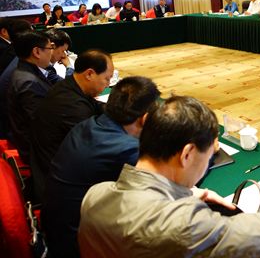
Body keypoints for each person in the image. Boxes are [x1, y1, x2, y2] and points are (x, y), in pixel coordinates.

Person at [78, 95, 260, 257]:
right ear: (187, 154)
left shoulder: (95, 195)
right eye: (208, 157)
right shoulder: (185, 223)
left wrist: (185, 194)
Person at [43, 76, 160, 258]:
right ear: (145, 119)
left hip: (56, 231)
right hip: (76, 245)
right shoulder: (125, 149)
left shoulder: (87, 125)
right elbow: (172, 176)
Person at [31, 49, 113, 195]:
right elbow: (97, 147)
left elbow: (96, 105)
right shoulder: (71, 105)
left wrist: (120, 111)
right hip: (60, 184)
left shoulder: (70, 85)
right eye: (107, 79)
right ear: (89, 74)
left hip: (57, 164)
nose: (108, 85)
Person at [6, 31, 55, 163]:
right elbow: (42, 126)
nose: (52, 52)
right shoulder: (29, 83)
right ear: (37, 52)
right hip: (38, 154)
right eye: (50, 48)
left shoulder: (25, 70)